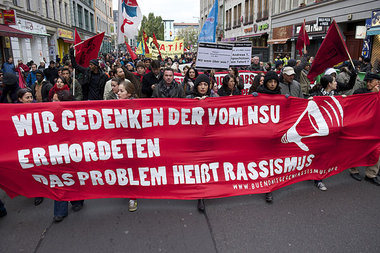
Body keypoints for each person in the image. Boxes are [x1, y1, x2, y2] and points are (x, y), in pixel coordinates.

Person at [349, 72, 380, 185]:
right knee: (357, 149)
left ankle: (371, 174)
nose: (368, 83)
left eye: (370, 81)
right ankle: (353, 170)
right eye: (367, 81)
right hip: (361, 127)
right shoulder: (360, 92)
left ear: (378, 82)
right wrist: (373, 95)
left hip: (375, 128)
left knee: (376, 150)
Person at [256, 71, 281, 203]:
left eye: (274, 82)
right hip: (262, 135)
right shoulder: (259, 94)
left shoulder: (281, 96)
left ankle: (268, 187)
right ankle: (265, 186)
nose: (272, 84)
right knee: (263, 161)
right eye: (270, 82)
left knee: (272, 161)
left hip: (276, 135)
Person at [117, 80, 139, 211]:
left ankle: (133, 197)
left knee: (132, 169)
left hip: (133, 143)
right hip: (119, 142)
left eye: (121, 91)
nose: (118, 93)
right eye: (118, 91)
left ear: (129, 93)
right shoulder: (113, 105)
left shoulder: (136, 106)